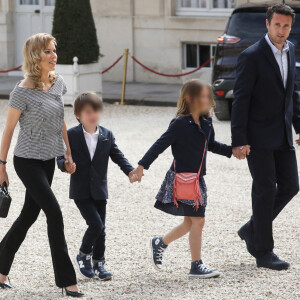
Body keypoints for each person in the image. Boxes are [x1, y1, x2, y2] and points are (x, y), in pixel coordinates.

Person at [0, 33, 84, 297]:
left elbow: (60, 121)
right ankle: (67, 282)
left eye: (54, 50)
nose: (53, 56)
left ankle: (0, 271)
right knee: (54, 213)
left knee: (28, 215)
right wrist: (1, 167)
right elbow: (8, 131)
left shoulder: (57, 83)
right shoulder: (21, 91)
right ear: (35, 57)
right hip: (26, 161)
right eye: (47, 52)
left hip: (48, 160)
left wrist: (68, 154)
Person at [130, 79, 233, 278]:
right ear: (189, 98)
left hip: (197, 180)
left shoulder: (206, 122)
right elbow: (159, 145)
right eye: (202, 96)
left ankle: (160, 242)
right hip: (182, 179)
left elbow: (211, 145)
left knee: (190, 223)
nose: (207, 99)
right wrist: (142, 166)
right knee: (199, 220)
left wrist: (232, 151)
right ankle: (196, 265)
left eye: (207, 96)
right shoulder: (179, 124)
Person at [231, 4, 300, 270]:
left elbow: (290, 93)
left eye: (286, 26)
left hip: (282, 133)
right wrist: (239, 139)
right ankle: (263, 251)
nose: (282, 31)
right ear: (267, 24)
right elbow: (240, 100)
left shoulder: (291, 49)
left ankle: (252, 228)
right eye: (277, 25)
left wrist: (298, 125)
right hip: (257, 137)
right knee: (264, 190)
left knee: (291, 186)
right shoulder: (252, 55)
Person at [57, 92, 136, 281]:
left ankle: (99, 263)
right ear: (78, 115)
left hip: (100, 190)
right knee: (96, 224)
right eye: (87, 112)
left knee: (102, 229)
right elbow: (60, 157)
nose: (93, 115)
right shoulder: (71, 135)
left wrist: (130, 171)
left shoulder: (107, 135)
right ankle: (83, 255)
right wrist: (65, 165)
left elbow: (117, 156)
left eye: (96, 111)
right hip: (81, 191)